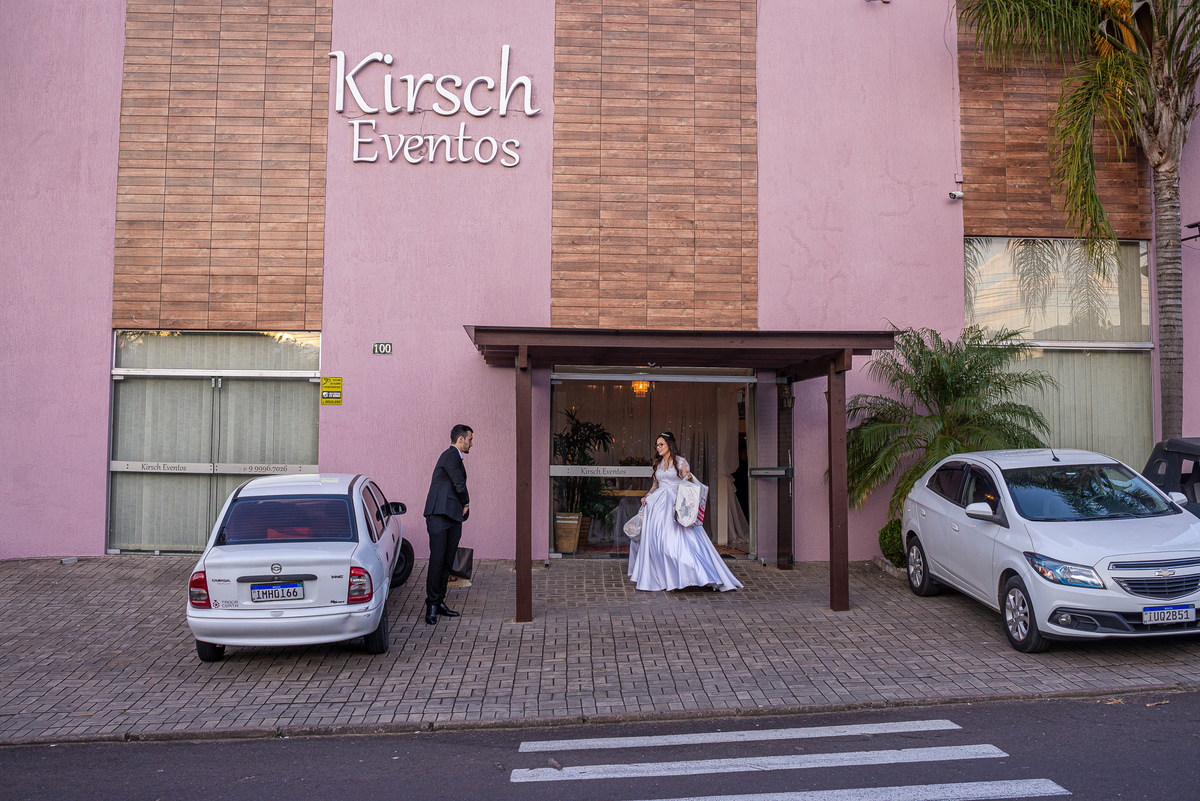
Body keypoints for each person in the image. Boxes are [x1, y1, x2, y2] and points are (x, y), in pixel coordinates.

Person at [628, 431, 743, 592]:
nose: (658, 447)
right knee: (657, 543)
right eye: (657, 445)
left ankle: (691, 574)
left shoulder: (681, 462)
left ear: (670, 445)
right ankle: (662, 576)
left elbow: (685, 480)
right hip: (657, 506)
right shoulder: (658, 463)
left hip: (674, 504)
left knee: (676, 542)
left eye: (661, 444)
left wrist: (688, 477)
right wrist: (647, 496)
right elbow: (655, 485)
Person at [422, 424, 472, 625]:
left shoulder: (454, 457)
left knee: (446, 560)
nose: (471, 443)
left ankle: (439, 601)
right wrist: (467, 503)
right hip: (439, 515)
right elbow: (459, 482)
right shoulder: (451, 455)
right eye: (469, 439)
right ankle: (431, 606)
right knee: (437, 559)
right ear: (460, 439)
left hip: (451, 516)